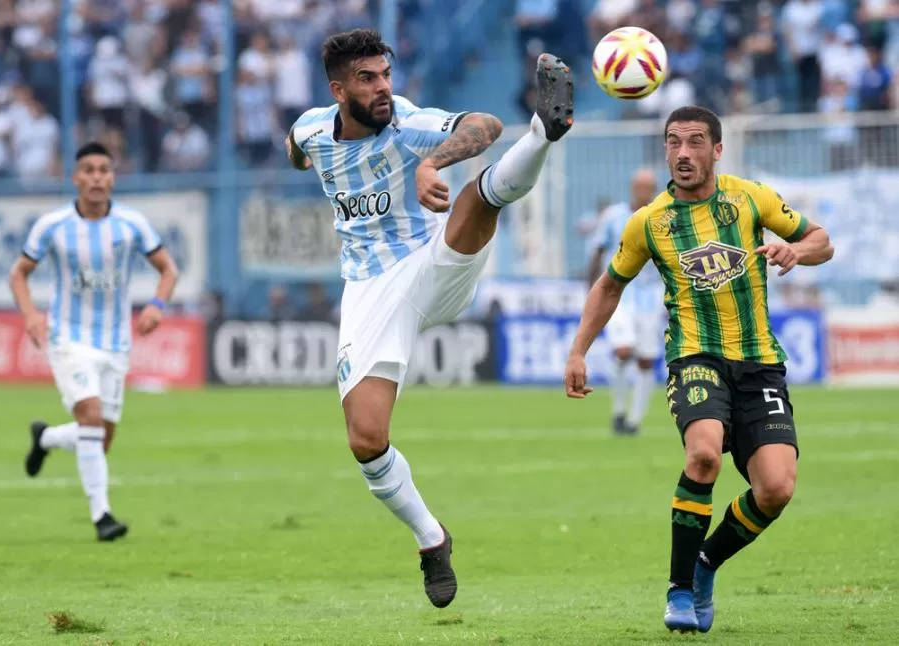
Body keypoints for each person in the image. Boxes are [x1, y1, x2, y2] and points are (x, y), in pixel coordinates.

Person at [286, 28, 573, 608]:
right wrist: (300, 156)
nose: (383, 87)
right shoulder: (311, 130)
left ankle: (545, 132)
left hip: (429, 264)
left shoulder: (408, 124)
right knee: (366, 439)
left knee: (478, 198)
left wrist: (432, 163)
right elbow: (296, 148)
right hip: (369, 290)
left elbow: (485, 126)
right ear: (339, 91)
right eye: (368, 79)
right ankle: (431, 539)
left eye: (386, 74)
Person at [563, 106, 833, 632]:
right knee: (704, 453)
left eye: (693, 142)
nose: (682, 153)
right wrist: (579, 351)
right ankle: (679, 588)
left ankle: (706, 563)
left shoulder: (750, 196)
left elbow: (822, 240)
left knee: (776, 489)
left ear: (716, 150)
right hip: (694, 357)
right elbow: (609, 285)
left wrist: (795, 250)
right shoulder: (650, 221)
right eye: (672, 142)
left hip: (759, 365)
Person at [8, 142, 180, 542]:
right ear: (76, 178)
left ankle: (46, 438)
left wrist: (156, 305)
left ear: (112, 178)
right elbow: (19, 273)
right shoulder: (52, 225)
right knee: (89, 414)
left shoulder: (132, 224)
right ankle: (102, 516)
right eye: (88, 170)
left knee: (100, 438)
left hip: (116, 343)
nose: (97, 177)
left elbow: (168, 269)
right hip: (68, 337)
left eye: (104, 169)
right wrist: (31, 315)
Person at [585, 168, 662, 435]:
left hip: (651, 299)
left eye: (647, 186)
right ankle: (618, 410)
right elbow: (597, 251)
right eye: (639, 186)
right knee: (623, 351)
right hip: (619, 296)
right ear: (632, 187)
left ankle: (634, 420)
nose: (643, 191)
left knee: (645, 361)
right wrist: (590, 293)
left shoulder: (663, 217)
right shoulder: (614, 217)